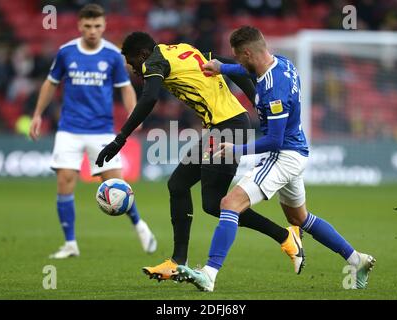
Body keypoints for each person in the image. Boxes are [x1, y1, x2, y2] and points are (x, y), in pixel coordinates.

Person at [177, 26, 376, 291]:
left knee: (229, 203)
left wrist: (235, 150)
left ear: (248, 52)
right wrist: (222, 68)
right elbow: (247, 70)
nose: (237, 62)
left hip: (284, 154)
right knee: (300, 219)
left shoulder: (274, 92)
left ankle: (209, 273)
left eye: (237, 57)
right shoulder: (282, 62)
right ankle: (356, 258)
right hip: (298, 151)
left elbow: (274, 141)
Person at [95, 31, 306, 280]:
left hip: (229, 128)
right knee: (178, 184)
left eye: (132, 63)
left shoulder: (154, 61)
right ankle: (177, 261)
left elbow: (149, 97)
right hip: (224, 127)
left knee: (215, 203)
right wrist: (254, 101)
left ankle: (284, 236)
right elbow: (227, 65)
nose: (133, 69)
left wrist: (120, 139)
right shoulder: (179, 49)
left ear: (142, 55)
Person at [29, 4, 157, 259]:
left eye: (97, 26)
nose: (92, 31)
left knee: (115, 185)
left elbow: (126, 88)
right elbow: (50, 83)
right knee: (65, 181)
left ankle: (140, 226)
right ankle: (70, 244)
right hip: (69, 128)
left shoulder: (112, 55)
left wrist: (135, 113)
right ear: (79, 26)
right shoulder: (66, 52)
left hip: (101, 131)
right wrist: (37, 114)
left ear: (104, 26)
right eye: (87, 26)